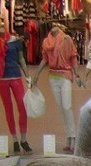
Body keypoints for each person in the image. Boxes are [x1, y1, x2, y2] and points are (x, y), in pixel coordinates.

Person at [31, 23, 81, 153]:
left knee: (67, 106)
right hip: (53, 76)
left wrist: (77, 74)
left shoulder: (66, 39)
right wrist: (36, 75)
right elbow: (45, 60)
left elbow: (73, 57)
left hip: (65, 75)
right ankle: (68, 138)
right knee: (61, 108)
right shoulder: (47, 41)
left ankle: (74, 138)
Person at [0, 22, 32, 154]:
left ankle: (24, 139)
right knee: (8, 109)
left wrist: (28, 76)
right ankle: (15, 140)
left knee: (22, 107)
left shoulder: (15, 41)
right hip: (1, 78)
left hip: (16, 77)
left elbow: (21, 60)